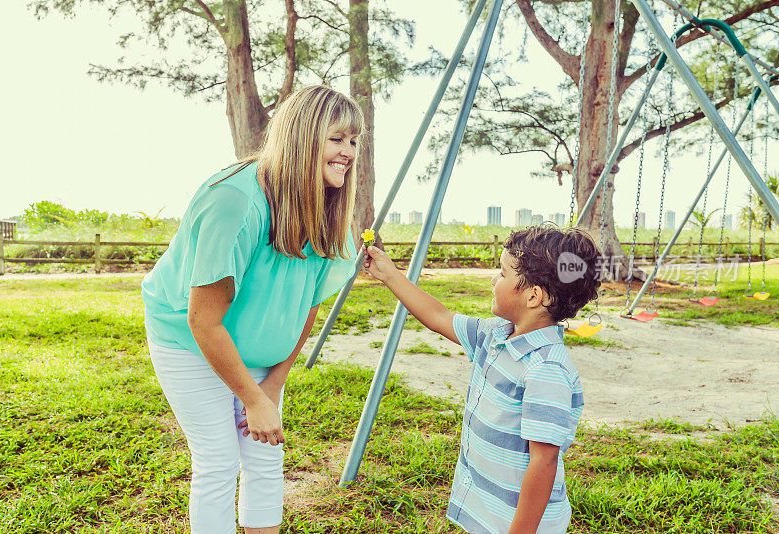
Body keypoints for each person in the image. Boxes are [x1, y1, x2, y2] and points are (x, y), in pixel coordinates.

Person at [141, 85, 363, 534]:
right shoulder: (235, 202)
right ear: (302, 137)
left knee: (265, 454)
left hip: (260, 352)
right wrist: (252, 397)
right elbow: (203, 320)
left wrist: (274, 383)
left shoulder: (328, 208)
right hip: (192, 342)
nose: (348, 153)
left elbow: (307, 306)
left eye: (354, 141)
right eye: (337, 139)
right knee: (219, 460)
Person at [361, 224, 601, 534]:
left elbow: (544, 462)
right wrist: (389, 274)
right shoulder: (495, 336)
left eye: (502, 274)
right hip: (490, 509)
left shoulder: (546, 370)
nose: (493, 280)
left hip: (520, 523)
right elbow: (439, 318)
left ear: (532, 296)